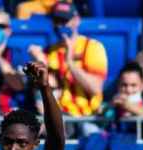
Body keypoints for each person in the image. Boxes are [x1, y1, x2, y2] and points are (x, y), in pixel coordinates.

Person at [28, 1, 107, 133]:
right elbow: (42, 95)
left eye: (64, 21)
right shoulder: (48, 52)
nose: (60, 25)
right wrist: (40, 67)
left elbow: (95, 89)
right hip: (60, 118)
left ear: (76, 20)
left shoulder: (93, 47)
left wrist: (69, 62)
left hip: (88, 117)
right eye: (56, 21)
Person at [104, 61, 143, 139]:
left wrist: (129, 106)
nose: (129, 90)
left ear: (142, 85)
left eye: (133, 85)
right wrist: (108, 108)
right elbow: (99, 123)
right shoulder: (112, 105)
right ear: (118, 85)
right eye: (124, 85)